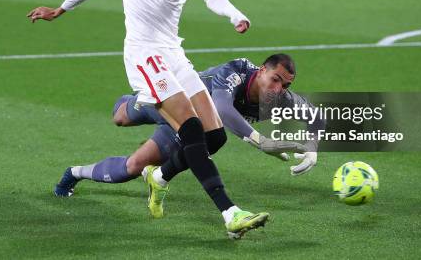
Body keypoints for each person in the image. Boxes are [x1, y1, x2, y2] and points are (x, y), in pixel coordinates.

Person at [27, 0, 269, 239]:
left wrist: (233, 13)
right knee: (191, 130)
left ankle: (158, 177)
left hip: (173, 53)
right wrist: (60, 9)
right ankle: (230, 213)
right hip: (143, 54)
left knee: (214, 137)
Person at [53, 54, 322, 211]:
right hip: (170, 102)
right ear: (262, 70)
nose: (278, 89)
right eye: (275, 79)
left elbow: (316, 117)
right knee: (121, 117)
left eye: (285, 85)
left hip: (187, 130)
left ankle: (74, 173)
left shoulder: (282, 98)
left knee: (132, 167)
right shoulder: (237, 71)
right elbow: (222, 109)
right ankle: (133, 97)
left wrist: (312, 149)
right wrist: (260, 141)